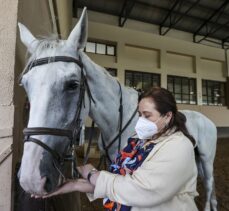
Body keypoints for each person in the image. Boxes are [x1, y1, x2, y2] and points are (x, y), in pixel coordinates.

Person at [35, 87, 198, 211]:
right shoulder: (138, 140)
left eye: (147, 116)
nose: (141, 121)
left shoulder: (179, 146)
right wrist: (72, 185)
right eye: (139, 115)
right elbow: (116, 182)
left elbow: (139, 190)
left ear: (167, 116)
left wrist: (92, 174)